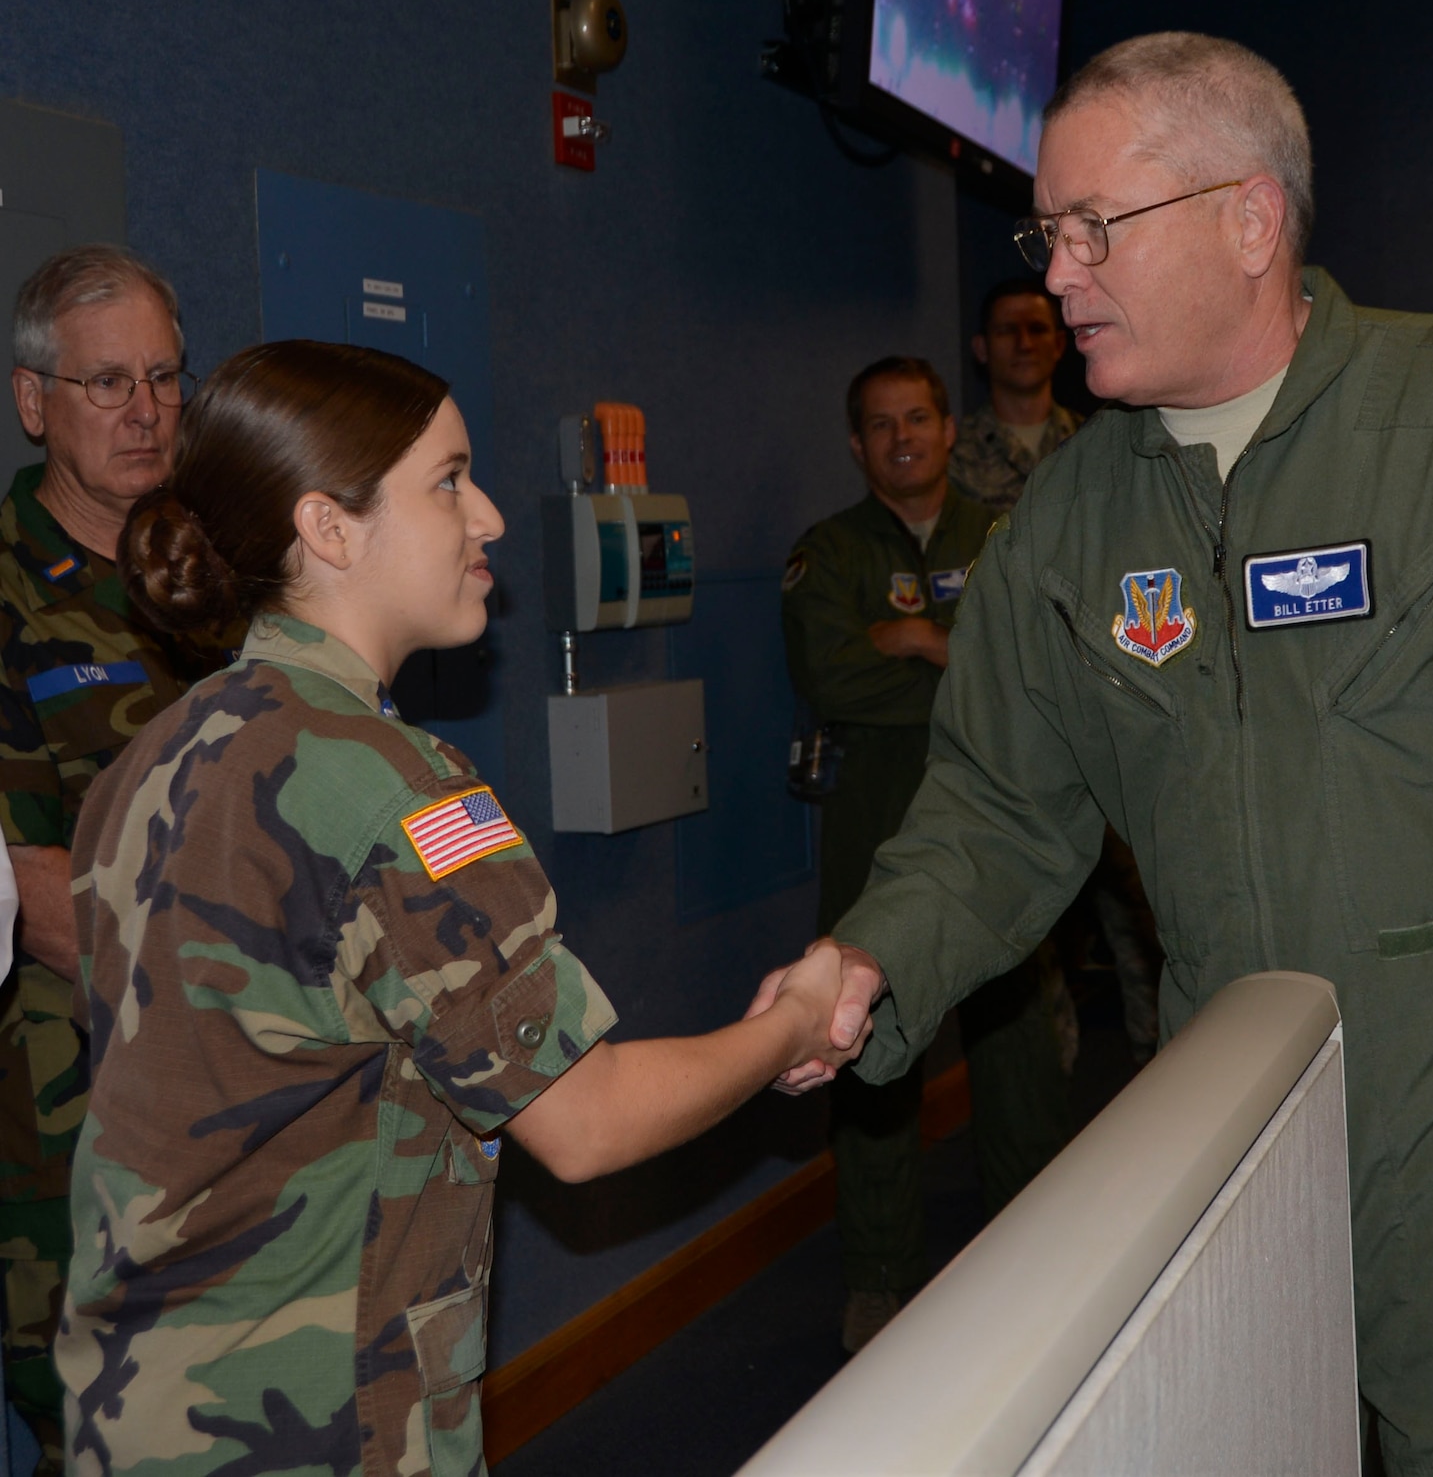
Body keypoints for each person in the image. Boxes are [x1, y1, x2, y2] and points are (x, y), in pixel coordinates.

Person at [758, 33, 1433, 1475]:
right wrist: (867, 965)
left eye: (1099, 228)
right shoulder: (1071, 521)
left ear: (1249, 218)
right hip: (1247, 1142)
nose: (1057, 274)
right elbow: (994, 812)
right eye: (1049, 231)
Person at [57, 340, 859, 1475]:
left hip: (128, 1412)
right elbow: (583, 1123)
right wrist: (794, 1021)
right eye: (447, 480)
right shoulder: (394, 788)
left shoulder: (148, 760)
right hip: (317, 1425)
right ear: (330, 530)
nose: (485, 517)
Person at [0, 245, 235, 1472]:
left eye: (163, 376)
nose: (146, 411)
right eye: (106, 384)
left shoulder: (215, 572)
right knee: (100, 1422)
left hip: (244, 1084)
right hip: (78, 1105)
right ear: (34, 401)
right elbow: (41, 904)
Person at [781, 357, 1070, 1353]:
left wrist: (916, 640)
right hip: (875, 828)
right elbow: (832, 679)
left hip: (998, 822)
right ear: (857, 446)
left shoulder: (1004, 540)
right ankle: (877, 1276)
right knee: (864, 1052)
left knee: (1018, 1046)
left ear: (951, 430)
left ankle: (1037, 1259)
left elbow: (1036, 668)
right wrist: (962, 659)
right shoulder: (827, 554)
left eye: (918, 417)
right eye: (878, 423)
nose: (901, 435)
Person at [950, 277, 1084, 511]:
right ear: (982, 348)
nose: (1024, 344)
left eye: (1037, 329)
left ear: (1059, 344)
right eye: (1007, 331)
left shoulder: (1090, 440)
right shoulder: (954, 455)